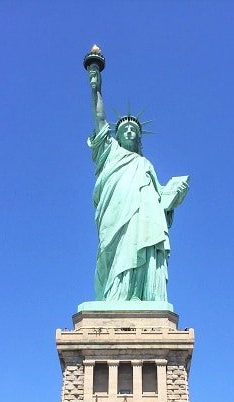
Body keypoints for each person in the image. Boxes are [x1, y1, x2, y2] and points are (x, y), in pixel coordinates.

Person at [87, 61, 189, 302]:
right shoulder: (109, 152)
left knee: (140, 246)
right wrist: (95, 88)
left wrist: (174, 194)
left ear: (140, 138)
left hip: (143, 218)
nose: (130, 132)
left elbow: (160, 200)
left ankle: (137, 296)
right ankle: (114, 298)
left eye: (135, 129)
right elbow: (100, 120)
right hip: (115, 214)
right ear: (117, 136)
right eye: (125, 129)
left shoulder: (146, 165)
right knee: (114, 251)